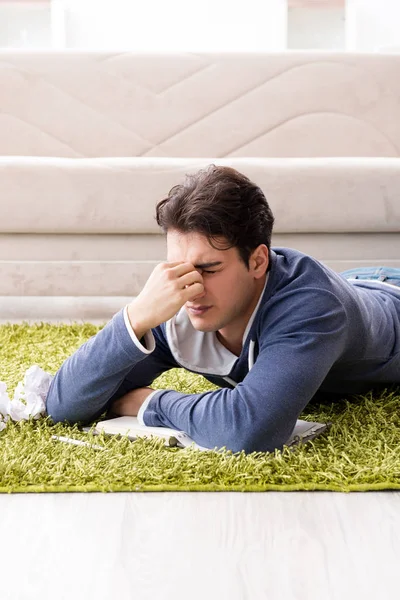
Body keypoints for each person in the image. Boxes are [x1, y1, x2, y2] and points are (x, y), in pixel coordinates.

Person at [45, 165, 400, 453]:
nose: (190, 287)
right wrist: (136, 317)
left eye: (209, 268)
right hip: (352, 286)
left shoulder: (313, 308)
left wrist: (151, 404)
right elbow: (63, 407)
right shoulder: (176, 301)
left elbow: (249, 430)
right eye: (177, 267)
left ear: (258, 261)